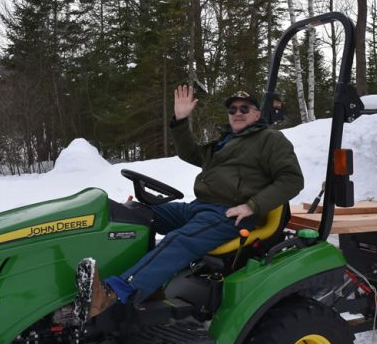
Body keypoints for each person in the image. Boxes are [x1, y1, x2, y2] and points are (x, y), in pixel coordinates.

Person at [74, 85, 304, 322]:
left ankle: (113, 293)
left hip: (228, 215)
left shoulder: (270, 139)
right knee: (135, 214)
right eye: (232, 108)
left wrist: (252, 206)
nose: (237, 112)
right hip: (198, 208)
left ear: (257, 114)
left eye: (245, 108)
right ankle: (149, 289)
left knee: (178, 240)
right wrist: (181, 120)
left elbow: (292, 180)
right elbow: (190, 153)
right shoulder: (225, 142)